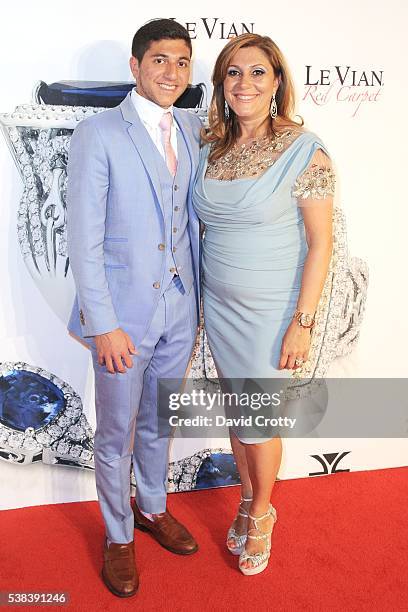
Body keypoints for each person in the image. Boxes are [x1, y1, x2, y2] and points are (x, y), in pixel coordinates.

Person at [67, 19, 202, 597]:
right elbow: (83, 239)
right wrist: (103, 325)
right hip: (121, 319)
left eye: (181, 62)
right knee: (116, 431)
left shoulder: (194, 129)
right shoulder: (99, 133)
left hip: (179, 309)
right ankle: (118, 534)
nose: (171, 73)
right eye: (159, 61)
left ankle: (151, 507)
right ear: (135, 66)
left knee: (158, 423)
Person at [193, 33, 335, 576]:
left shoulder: (306, 147)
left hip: (272, 310)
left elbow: (321, 242)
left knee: (258, 417)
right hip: (221, 305)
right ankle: (249, 498)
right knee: (239, 411)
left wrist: (302, 323)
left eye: (257, 72)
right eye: (233, 72)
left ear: (277, 82)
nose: (244, 83)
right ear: (221, 84)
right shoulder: (212, 146)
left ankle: (260, 513)